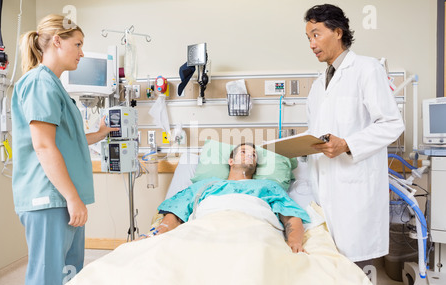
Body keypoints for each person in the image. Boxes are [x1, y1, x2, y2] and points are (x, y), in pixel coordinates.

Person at [11, 14, 118, 285]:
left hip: (62, 198)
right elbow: (44, 146)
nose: (82, 52)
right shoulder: (39, 83)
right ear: (57, 41)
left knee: (69, 277)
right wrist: (72, 198)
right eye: (78, 44)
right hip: (50, 198)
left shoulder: (55, 86)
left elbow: (68, 141)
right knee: (48, 282)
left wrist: (101, 133)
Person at [303, 4, 405, 267]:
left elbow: (392, 124)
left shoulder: (366, 69)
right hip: (323, 190)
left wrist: (347, 144)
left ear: (338, 32)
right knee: (329, 268)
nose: (312, 44)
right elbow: (316, 131)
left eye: (316, 34)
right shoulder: (317, 85)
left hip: (354, 190)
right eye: (308, 38)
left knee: (357, 272)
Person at [146, 143, 310, 253]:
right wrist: (161, 230)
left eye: (254, 154)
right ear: (230, 161)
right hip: (206, 229)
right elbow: (177, 211)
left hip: (254, 233)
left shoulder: (268, 186)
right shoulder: (207, 185)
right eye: (244, 152)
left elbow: (291, 217)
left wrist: (294, 241)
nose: (250, 155)